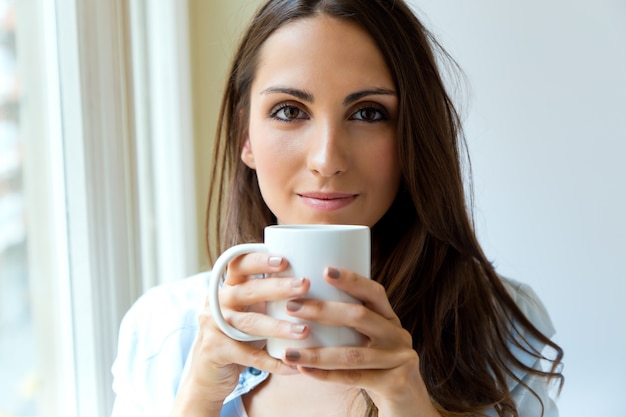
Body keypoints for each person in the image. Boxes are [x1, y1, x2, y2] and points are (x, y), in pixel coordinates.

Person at [111, 0, 564, 416]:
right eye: (289, 111)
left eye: (368, 113)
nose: (327, 160)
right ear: (244, 136)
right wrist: (196, 401)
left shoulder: (497, 328)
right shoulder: (162, 334)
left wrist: (409, 403)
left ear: (412, 138)